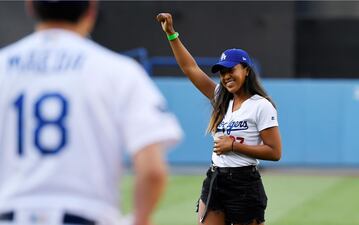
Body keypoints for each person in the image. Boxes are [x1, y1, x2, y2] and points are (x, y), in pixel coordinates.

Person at [0, 1, 183, 225]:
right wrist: (140, 218)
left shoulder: (4, 65)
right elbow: (152, 170)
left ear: (30, 7)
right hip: (84, 216)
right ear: (91, 10)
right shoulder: (118, 71)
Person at [156, 13, 282, 225]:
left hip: (245, 184)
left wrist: (233, 146)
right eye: (222, 72)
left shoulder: (261, 105)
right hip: (216, 179)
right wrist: (171, 35)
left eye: (231, 70)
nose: (226, 76)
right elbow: (190, 68)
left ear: (247, 71)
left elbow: (275, 152)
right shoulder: (221, 98)